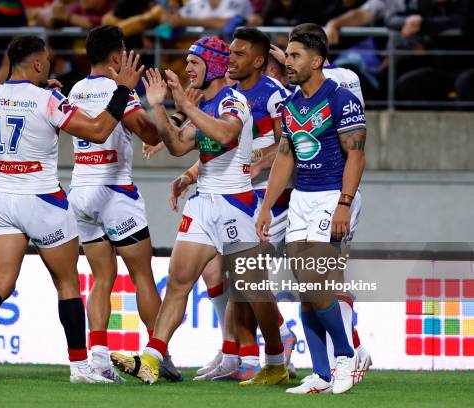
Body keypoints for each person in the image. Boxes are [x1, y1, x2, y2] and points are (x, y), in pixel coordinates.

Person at [0, 35, 144, 385]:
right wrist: (123, 91)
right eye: (48, 61)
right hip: (41, 200)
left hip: (0, 200)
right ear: (38, 64)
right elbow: (99, 131)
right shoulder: (49, 98)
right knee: (68, 284)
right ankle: (80, 368)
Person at [111, 36, 287, 386]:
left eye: (194, 62)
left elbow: (225, 134)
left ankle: (277, 359)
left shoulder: (233, 101)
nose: (187, 68)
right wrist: (159, 108)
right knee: (179, 281)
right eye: (187, 61)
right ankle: (152, 356)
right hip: (203, 204)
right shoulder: (203, 104)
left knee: (254, 292)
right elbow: (176, 146)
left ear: (215, 65)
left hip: (236, 207)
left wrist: (186, 107)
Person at [167, 27, 296, 384]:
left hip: (270, 199)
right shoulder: (230, 96)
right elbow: (220, 146)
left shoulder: (273, 95)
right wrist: (192, 173)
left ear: (256, 60)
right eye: (229, 53)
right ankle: (236, 352)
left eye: (238, 55)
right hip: (234, 193)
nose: (230, 59)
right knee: (219, 275)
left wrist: (263, 159)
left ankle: (265, 349)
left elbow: (294, 142)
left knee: (244, 279)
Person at [67, 25, 182, 383]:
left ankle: (98, 357)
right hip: (115, 192)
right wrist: (156, 105)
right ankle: (159, 355)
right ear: (117, 56)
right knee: (141, 276)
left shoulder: (76, 89)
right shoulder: (119, 91)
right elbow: (149, 132)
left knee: (101, 277)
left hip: (80, 193)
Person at [256, 31, 366, 394]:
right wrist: (267, 207)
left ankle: (347, 356)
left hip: (331, 196)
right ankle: (320, 374)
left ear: (317, 61)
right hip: (301, 199)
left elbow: (356, 155)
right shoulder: (291, 106)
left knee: (317, 285)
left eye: (296, 55)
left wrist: (344, 203)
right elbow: (285, 158)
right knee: (306, 289)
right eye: (287, 55)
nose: (288, 61)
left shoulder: (341, 98)